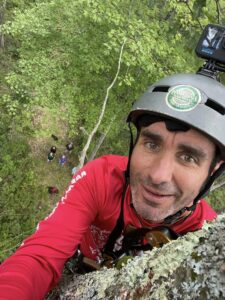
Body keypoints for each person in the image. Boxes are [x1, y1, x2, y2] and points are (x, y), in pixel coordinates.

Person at [0, 72, 225, 299]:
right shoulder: (103, 178)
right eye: (151, 144)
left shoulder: (203, 234)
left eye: (188, 157)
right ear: (134, 143)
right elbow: (40, 257)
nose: (159, 175)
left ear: (213, 170)